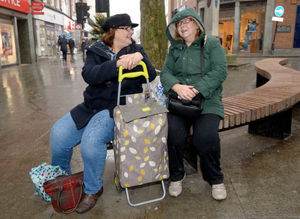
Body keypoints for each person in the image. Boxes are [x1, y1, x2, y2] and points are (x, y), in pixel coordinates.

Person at [49, 13, 156, 214]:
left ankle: (92, 189)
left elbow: (149, 75)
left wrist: (140, 57)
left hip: (116, 109)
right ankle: (63, 182)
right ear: (114, 31)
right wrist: (116, 64)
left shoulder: (136, 49)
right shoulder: (96, 50)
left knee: (91, 141)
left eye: (132, 29)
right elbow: (89, 75)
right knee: (58, 134)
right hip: (90, 106)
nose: (132, 32)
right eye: (128, 28)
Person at [160, 8, 228, 200]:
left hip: (207, 101)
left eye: (186, 21)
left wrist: (196, 89)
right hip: (179, 101)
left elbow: (220, 71)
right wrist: (177, 87)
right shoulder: (174, 49)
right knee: (173, 135)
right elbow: (165, 73)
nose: (182, 26)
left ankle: (216, 179)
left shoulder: (211, 44)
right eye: (178, 23)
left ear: (197, 24)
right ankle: (176, 176)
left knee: (205, 138)